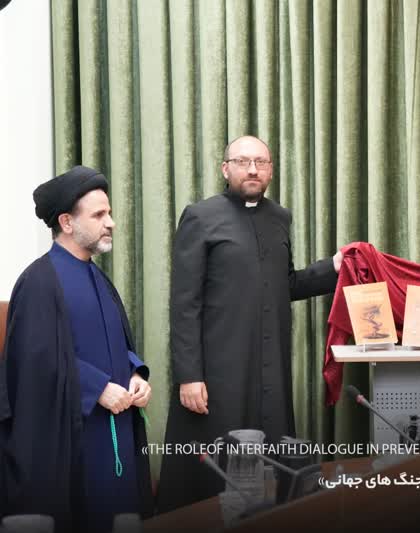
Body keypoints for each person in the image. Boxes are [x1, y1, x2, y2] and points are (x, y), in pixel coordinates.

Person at [157, 135, 344, 512]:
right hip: (218, 373)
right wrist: (189, 375)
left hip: (270, 368)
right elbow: (184, 302)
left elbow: (285, 284)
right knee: (216, 474)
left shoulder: (280, 217)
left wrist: (334, 267)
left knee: (271, 471)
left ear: (271, 170)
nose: (253, 169)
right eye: (243, 162)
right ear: (226, 169)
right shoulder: (200, 217)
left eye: (261, 162)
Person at [0, 166, 154, 532]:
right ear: (67, 222)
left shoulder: (99, 277)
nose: (111, 223)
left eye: (109, 213)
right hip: (74, 439)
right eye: (99, 215)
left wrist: (135, 372)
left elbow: (116, 343)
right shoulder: (39, 281)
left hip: (117, 427)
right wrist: (95, 388)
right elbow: (33, 364)